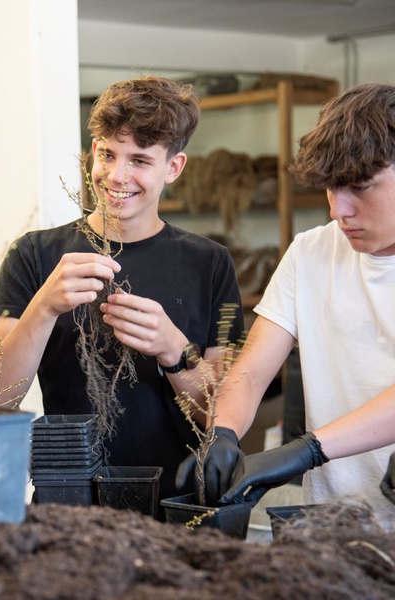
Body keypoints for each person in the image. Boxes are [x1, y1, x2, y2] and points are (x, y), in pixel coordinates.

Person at [0, 76, 244, 503]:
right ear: (93, 152)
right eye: (107, 154)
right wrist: (43, 308)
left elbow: (222, 418)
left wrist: (173, 348)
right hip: (70, 502)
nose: (118, 176)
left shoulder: (210, 264)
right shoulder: (33, 255)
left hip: (177, 503)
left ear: (173, 168)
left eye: (139, 160)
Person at [176, 82, 395, 528]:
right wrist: (224, 431)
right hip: (331, 521)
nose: (338, 211)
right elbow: (254, 370)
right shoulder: (311, 252)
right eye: (330, 189)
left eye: (360, 188)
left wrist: (308, 449)